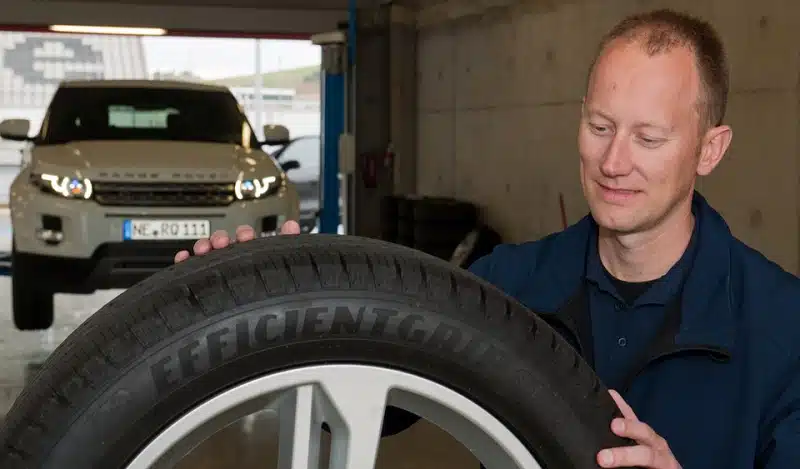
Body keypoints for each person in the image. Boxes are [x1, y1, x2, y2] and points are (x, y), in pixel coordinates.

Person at [174, 9, 800, 469]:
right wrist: (257, 298)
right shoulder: (510, 288)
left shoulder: (785, 332)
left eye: (649, 138)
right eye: (600, 126)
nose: (613, 162)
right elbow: (370, 377)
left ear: (710, 149)